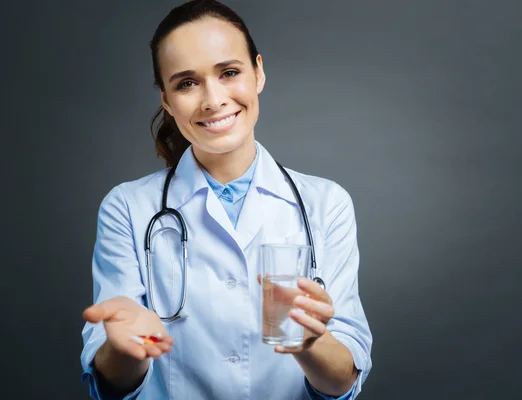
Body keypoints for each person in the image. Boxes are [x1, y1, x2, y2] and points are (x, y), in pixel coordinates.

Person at [80, 1, 372, 399]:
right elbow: (113, 382)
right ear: (166, 99)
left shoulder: (326, 203)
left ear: (258, 73)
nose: (213, 100)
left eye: (229, 72)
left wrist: (310, 343)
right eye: (186, 83)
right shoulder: (128, 208)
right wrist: (127, 347)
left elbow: (343, 382)